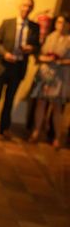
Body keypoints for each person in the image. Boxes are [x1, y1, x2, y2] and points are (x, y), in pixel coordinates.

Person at [0, 0, 40, 139]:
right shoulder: (7, 23)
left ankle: (4, 128)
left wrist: (31, 48)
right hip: (2, 65)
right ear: (19, 6)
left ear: (32, 9)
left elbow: (37, 47)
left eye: (29, 6)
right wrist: (5, 54)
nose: (26, 8)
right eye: (24, 5)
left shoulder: (34, 27)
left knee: (10, 99)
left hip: (18, 67)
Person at [29, 13, 70, 148]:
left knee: (57, 106)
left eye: (63, 23)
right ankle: (36, 131)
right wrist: (44, 59)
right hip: (45, 73)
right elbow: (40, 54)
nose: (61, 25)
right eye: (58, 22)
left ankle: (57, 137)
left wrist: (60, 61)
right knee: (41, 102)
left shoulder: (69, 39)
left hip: (60, 75)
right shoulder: (50, 37)